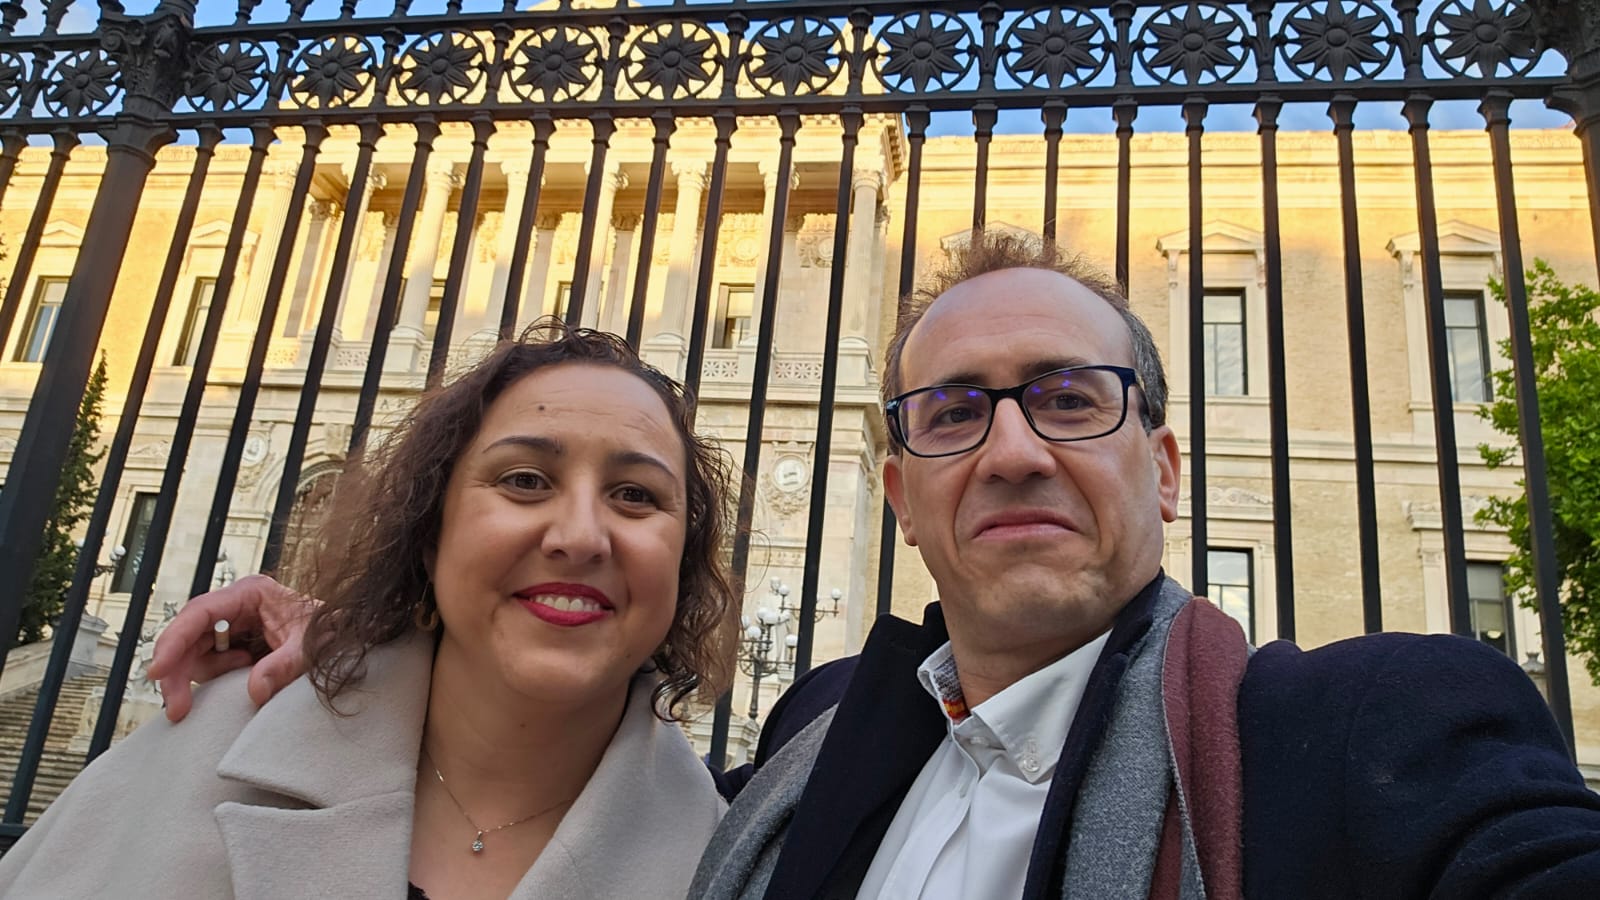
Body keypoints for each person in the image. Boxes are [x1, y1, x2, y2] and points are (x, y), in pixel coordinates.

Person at [149, 236, 1600, 899]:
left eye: (1073, 397)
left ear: (1163, 464)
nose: (1017, 450)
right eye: (957, 411)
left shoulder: (1372, 736)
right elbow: (543, 738)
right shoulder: (808, 744)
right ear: (901, 495)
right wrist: (383, 627)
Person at [0, 323, 738, 900]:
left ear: (684, 559)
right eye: (523, 480)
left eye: (637, 495)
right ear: (430, 533)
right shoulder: (208, 745)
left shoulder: (735, 863)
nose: (580, 537)